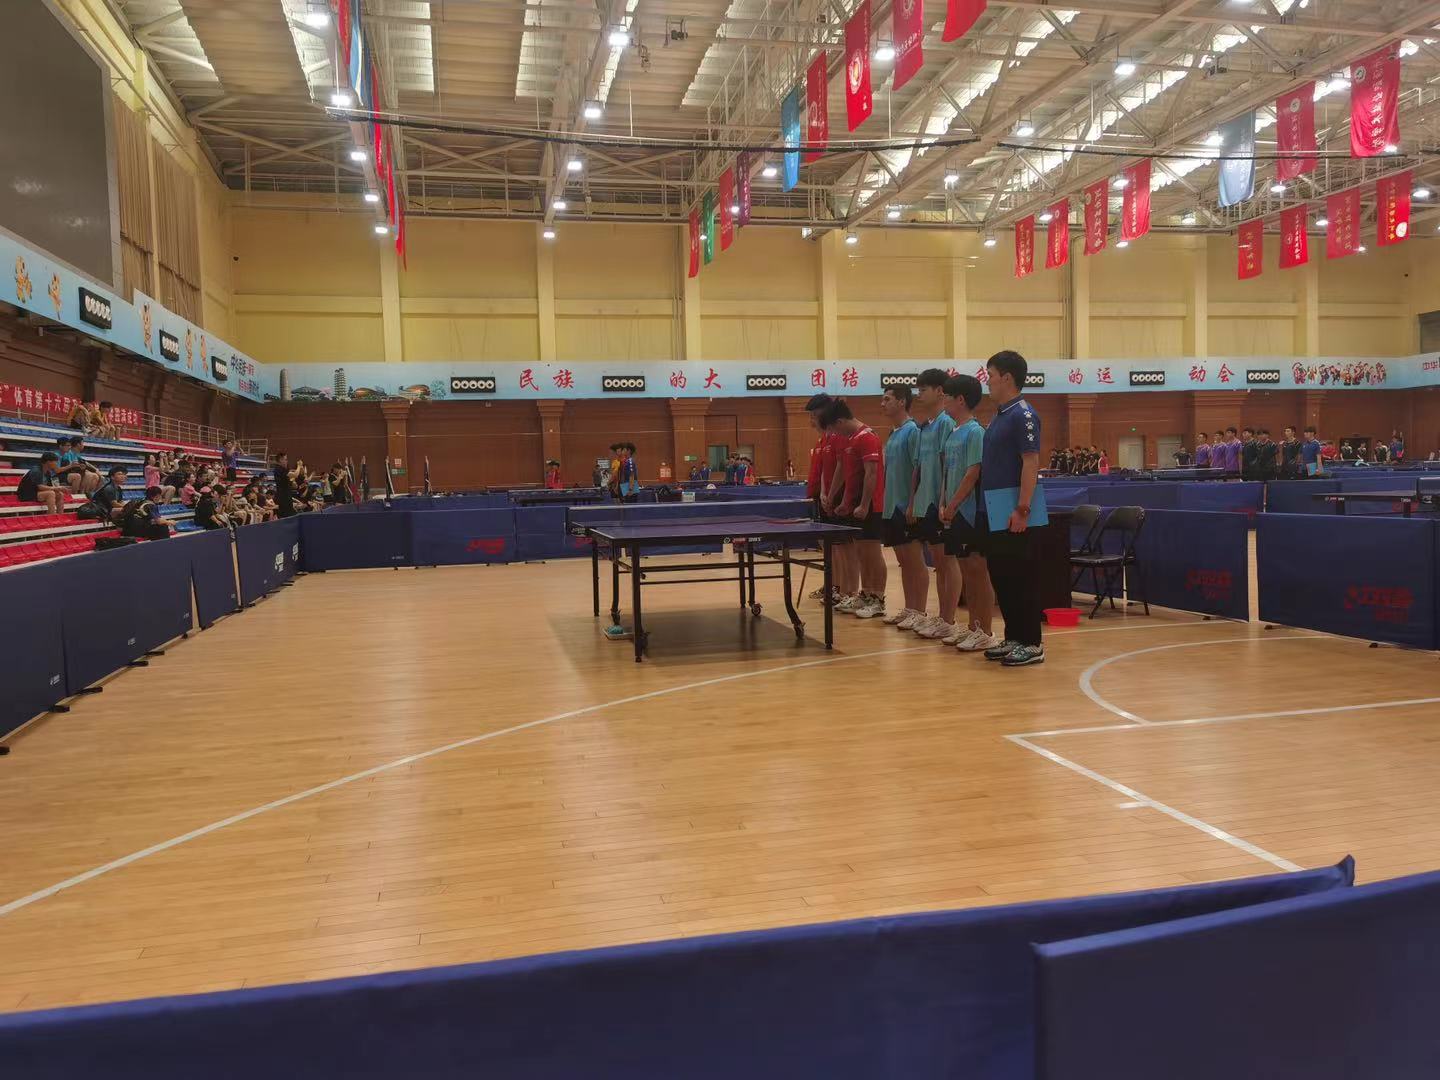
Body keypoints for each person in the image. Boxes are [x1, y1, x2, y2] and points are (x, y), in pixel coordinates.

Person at [980, 350, 1048, 668]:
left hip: (1016, 509)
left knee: (1022, 576)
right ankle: (1014, 637)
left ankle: (1032, 642)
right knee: (1002, 575)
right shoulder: (999, 415)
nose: (988, 381)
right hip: (995, 507)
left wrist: (1022, 509)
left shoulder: (1024, 414)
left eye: (991, 375)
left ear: (1006, 377)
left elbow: (1031, 462)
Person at [937, 374, 997, 652]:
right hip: (952, 512)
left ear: (960, 399)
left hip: (969, 512)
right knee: (965, 570)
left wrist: (953, 505)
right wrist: (942, 503)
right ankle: (973, 626)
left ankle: (985, 630)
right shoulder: (953, 432)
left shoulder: (975, 432)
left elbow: (973, 472)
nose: (944, 401)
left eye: (947, 397)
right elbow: (946, 473)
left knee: (977, 571)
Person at [906, 368, 959, 639]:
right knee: (938, 562)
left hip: (941, 504)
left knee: (947, 561)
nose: (919, 394)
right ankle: (941, 617)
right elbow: (918, 468)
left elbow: (947, 466)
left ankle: (949, 619)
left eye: (923, 389)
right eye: (918, 389)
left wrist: (944, 501)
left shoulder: (946, 423)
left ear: (940, 391)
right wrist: (913, 502)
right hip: (925, 503)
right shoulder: (924, 426)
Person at [824, 399, 887, 619]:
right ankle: (867, 593)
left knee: (872, 552)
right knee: (862, 552)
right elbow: (851, 475)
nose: (835, 434)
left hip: (870, 505)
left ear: (840, 421)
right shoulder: (852, 439)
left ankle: (878, 599)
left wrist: (864, 504)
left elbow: (871, 474)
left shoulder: (867, 437)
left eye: (835, 429)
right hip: (856, 505)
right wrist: (845, 503)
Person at [878, 384, 927, 628]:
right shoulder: (893, 433)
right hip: (891, 507)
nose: (882, 404)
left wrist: (913, 504)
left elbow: (918, 469)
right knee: (904, 562)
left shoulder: (913, 431)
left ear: (902, 401)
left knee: (915, 561)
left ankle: (920, 611)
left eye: (887, 399)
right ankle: (909, 609)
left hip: (907, 508)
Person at [272, 451, 297, 518]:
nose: (287, 461)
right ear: (281, 460)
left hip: (287, 496)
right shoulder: (279, 469)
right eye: (285, 459)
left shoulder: (283, 470)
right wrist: (299, 466)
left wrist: (292, 482)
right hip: (283, 497)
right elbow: (295, 474)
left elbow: (293, 484)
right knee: (285, 516)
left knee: (290, 515)